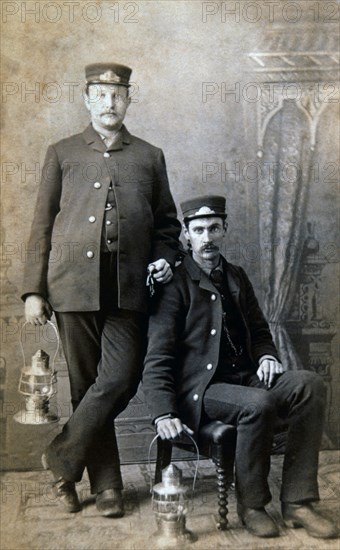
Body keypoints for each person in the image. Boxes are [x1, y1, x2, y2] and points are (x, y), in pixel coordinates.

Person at [22, 62, 181, 517]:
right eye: (100, 95)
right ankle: (108, 485)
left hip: (129, 289)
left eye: (118, 95)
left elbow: (168, 226)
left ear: (129, 100)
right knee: (85, 385)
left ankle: (62, 459)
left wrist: (165, 258)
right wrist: (34, 289)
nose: (110, 103)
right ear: (87, 99)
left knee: (118, 379)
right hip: (71, 287)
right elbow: (40, 226)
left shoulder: (149, 156)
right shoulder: (63, 152)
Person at [142, 195, 337, 539]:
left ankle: (297, 503)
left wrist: (267, 356)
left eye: (214, 228)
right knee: (257, 404)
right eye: (198, 230)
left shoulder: (236, 276)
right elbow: (157, 357)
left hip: (246, 379)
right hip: (201, 392)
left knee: (310, 384)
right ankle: (252, 505)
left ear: (225, 230)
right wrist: (162, 413)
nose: (207, 238)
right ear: (186, 235)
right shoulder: (174, 285)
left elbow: (261, 331)